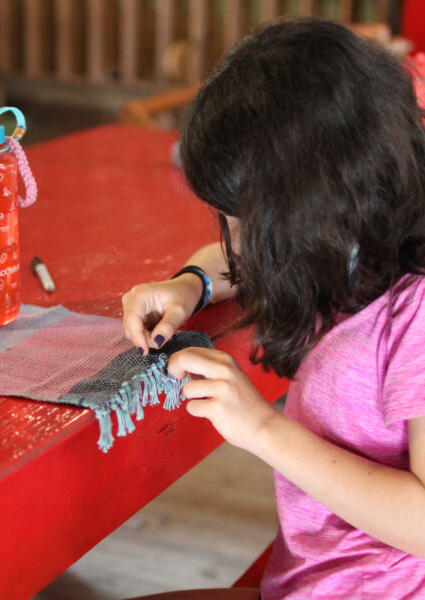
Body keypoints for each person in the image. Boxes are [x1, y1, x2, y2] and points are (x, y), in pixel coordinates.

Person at [122, 18, 425, 600]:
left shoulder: (414, 310)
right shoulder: (355, 244)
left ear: (311, 202)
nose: (235, 241)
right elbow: (232, 260)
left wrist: (262, 427)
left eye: (245, 223)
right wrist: (188, 286)